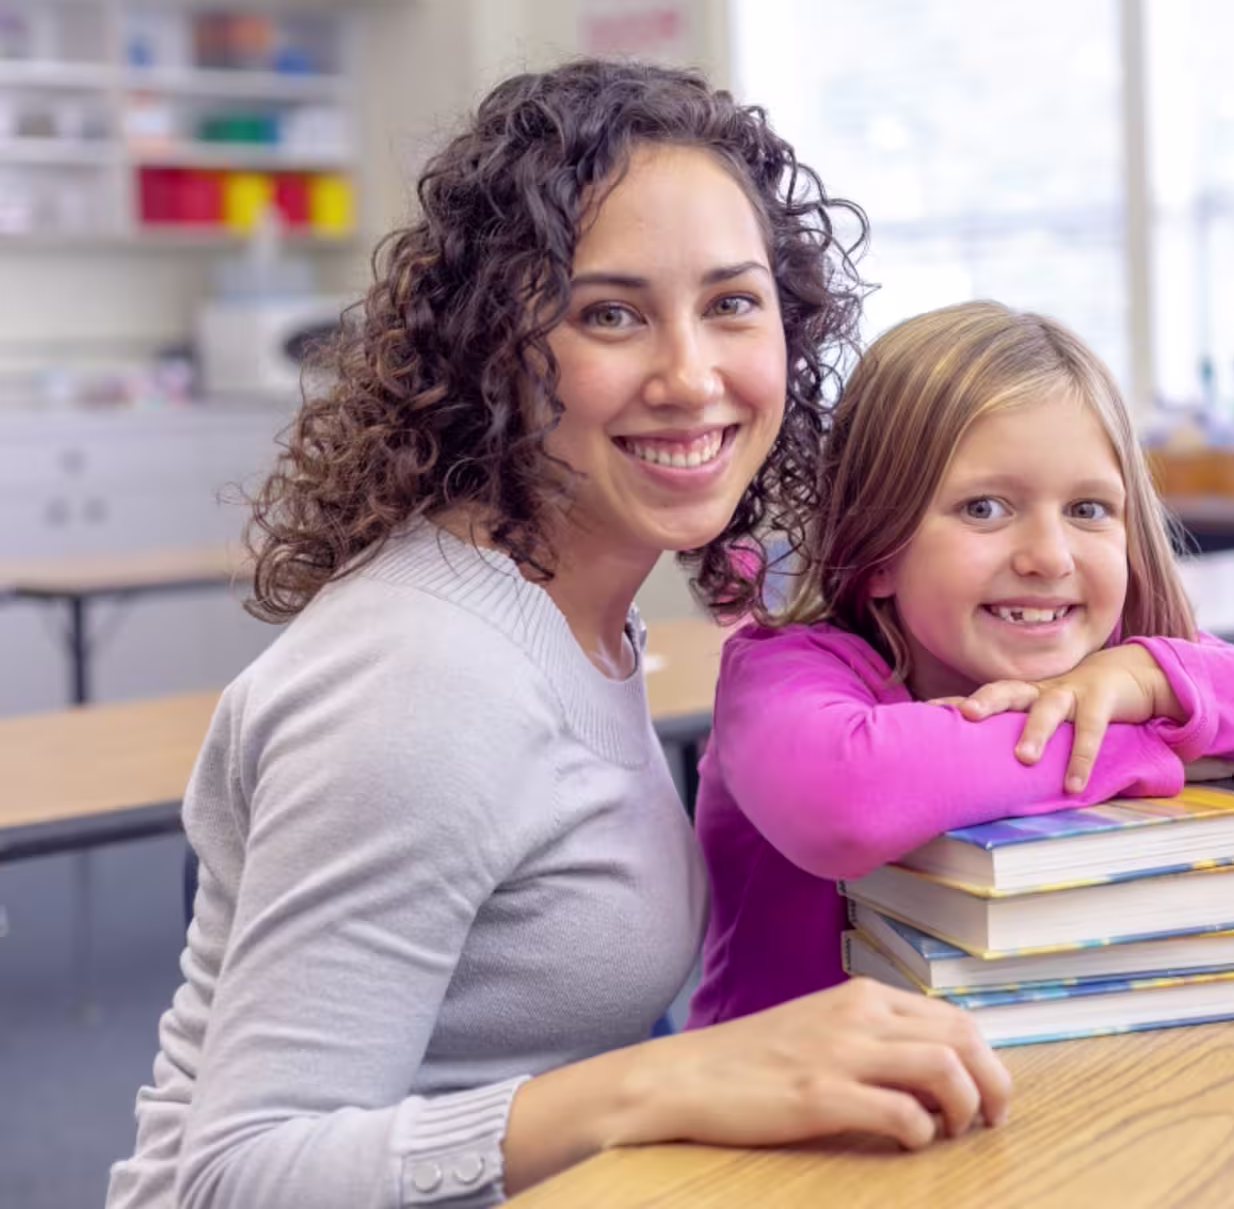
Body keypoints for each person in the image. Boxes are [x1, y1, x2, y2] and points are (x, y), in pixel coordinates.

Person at [107, 61, 1009, 1209]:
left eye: (732, 302)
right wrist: (665, 1079)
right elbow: (237, 1179)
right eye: (611, 314)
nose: (691, 375)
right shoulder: (423, 680)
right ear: (496, 351)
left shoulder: (578, 610)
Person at [688, 300, 1234, 1028]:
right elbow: (846, 802)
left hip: (1039, 1106)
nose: (1049, 556)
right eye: (984, 508)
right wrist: (1154, 739)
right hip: (768, 1147)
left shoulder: (1138, 676)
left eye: (1088, 509)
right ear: (877, 544)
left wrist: (1157, 683)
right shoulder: (782, 673)